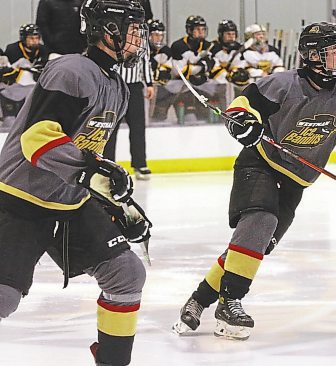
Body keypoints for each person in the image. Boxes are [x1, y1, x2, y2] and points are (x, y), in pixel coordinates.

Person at [172, 22, 336, 340]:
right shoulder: (284, 84)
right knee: (260, 221)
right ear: (312, 55)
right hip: (260, 162)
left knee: (254, 245)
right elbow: (242, 105)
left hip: (297, 179)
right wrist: (243, 123)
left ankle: (199, 300)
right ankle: (230, 303)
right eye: (334, 52)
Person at [0, 1, 151, 365]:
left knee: (126, 275)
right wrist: (87, 173)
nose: (139, 38)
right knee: (4, 297)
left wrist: (118, 203)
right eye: (133, 29)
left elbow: (86, 151)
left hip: (70, 203)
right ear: (108, 29)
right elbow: (39, 137)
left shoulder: (117, 86)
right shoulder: (71, 70)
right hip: (20, 200)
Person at [103, 42, 155, 181]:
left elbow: (145, 60)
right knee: (111, 128)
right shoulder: (114, 35)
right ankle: (108, 163)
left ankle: (140, 164)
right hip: (115, 86)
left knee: (138, 128)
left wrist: (149, 83)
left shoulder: (141, 37)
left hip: (135, 88)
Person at [170, 15, 216, 123]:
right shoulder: (178, 46)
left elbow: (213, 66)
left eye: (203, 29)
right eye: (197, 29)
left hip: (203, 87)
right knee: (188, 118)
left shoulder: (208, 45)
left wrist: (193, 68)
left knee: (205, 116)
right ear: (189, 30)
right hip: (181, 88)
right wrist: (201, 68)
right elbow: (178, 71)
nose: (201, 32)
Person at [210, 19, 249, 87]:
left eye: (233, 34)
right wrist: (227, 75)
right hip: (214, 85)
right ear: (221, 35)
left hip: (233, 86)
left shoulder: (239, 48)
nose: (231, 37)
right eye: (228, 34)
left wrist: (237, 73)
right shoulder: (212, 48)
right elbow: (212, 70)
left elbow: (241, 65)